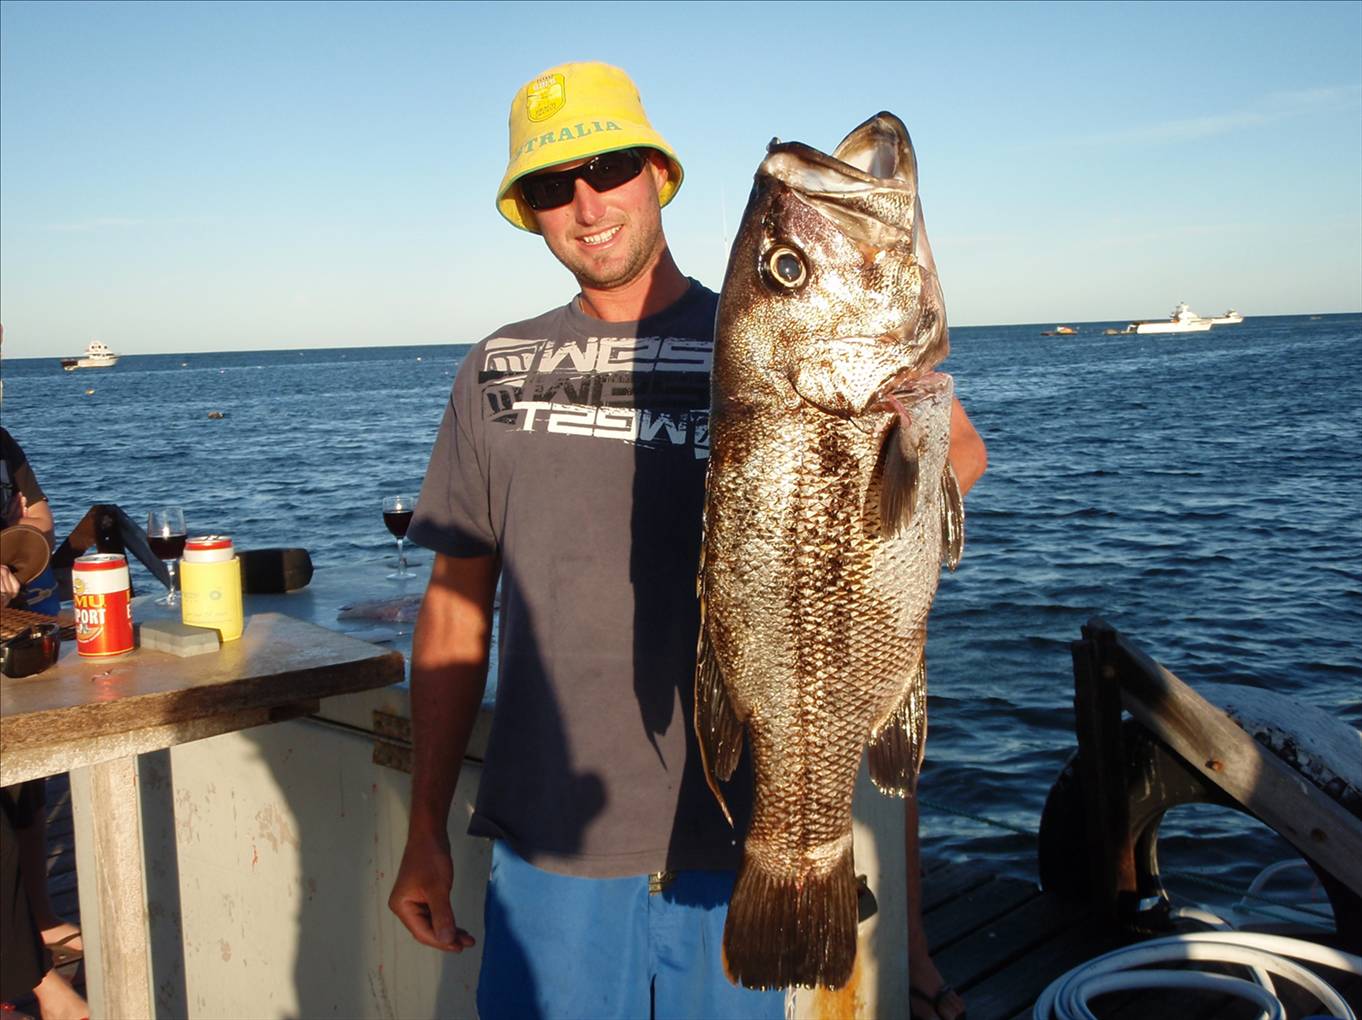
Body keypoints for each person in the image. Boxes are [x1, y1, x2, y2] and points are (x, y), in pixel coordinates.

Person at [388, 61, 985, 1020]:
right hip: (552, 838)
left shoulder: (752, 332)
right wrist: (425, 826)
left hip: (742, 835)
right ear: (529, 213)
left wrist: (894, 411)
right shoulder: (495, 371)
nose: (587, 205)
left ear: (659, 174)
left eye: (608, 168)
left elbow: (957, 460)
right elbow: (456, 610)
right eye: (552, 187)